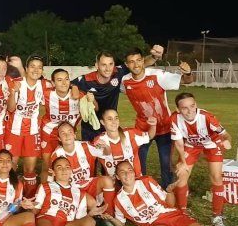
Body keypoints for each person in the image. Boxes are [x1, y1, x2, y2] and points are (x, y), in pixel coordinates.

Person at [121, 47, 194, 188]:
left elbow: (187, 81)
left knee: (165, 162)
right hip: (142, 128)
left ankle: (166, 190)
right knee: (138, 160)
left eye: (138, 60)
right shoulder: (125, 81)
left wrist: (188, 73)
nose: (135, 65)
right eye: (131, 62)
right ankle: (141, 187)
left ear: (143, 61)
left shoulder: (157, 75)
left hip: (164, 127)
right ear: (126, 65)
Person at [170, 92, 232, 226]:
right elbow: (179, 143)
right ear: (178, 109)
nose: (190, 110)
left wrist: (227, 140)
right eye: (185, 108)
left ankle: (217, 215)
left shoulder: (207, 117)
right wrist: (183, 162)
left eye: (192, 106)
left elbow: (225, 134)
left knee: (216, 177)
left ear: (196, 105)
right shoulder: (175, 119)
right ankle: (182, 212)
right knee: (181, 175)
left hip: (211, 144)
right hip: (191, 146)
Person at [72, 47, 163, 141]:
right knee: (91, 154)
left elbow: (140, 64)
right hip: (89, 129)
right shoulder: (85, 80)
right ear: (96, 65)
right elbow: (67, 84)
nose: (108, 69)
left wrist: (154, 57)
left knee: (112, 154)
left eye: (111, 64)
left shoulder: (118, 72)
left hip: (111, 126)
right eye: (103, 65)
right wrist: (75, 89)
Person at [50, 122, 117, 226]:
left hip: (89, 184)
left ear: (75, 135)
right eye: (63, 133)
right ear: (59, 138)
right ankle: (86, 216)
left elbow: (106, 153)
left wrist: (106, 146)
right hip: (74, 190)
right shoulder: (56, 155)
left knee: (107, 181)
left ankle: (109, 217)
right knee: (93, 205)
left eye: (70, 132)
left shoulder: (85, 146)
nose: (67, 135)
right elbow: (56, 181)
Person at [5, 55, 49, 198]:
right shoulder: (16, 83)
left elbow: (63, 84)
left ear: (42, 71)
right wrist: (13, 92)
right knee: (10, 166)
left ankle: (28, 199)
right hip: (14, 131)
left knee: (29, 169)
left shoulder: (44, 85)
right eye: (32, 66)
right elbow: (11, 108)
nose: (36, 70)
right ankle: (9, 197)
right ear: (26, 69)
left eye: (39, 67)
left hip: (33, 132)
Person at [40, 68, 92, 181]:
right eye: (59, 80)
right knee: (48, 165)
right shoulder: (46, 94)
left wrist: (91, 100)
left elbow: (94, 108)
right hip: (49, 134)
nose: (64, 83)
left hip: (68, 135)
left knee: (67, 164)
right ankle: (45, 192)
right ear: (53, 83)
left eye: (66, 79)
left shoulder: (79, 95)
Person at [92, 108, 155, 180]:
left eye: (116, 118)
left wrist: (153, 125)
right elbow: (106, 153)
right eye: (110, 119)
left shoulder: (130, 134)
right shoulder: (99, 140)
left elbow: (149, 136)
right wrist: (106, 146)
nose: (114, 122)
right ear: (102, 122)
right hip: (113, 182)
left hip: (135, 179)